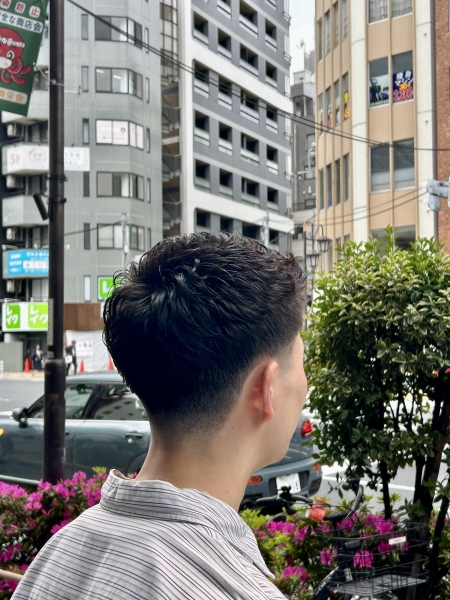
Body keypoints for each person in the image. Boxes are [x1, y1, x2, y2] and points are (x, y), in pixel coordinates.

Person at [12, 234, 308, 600]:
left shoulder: (57, 555)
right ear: (267, 389)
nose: (305, 383)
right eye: (302, 361)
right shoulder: (237, 590)